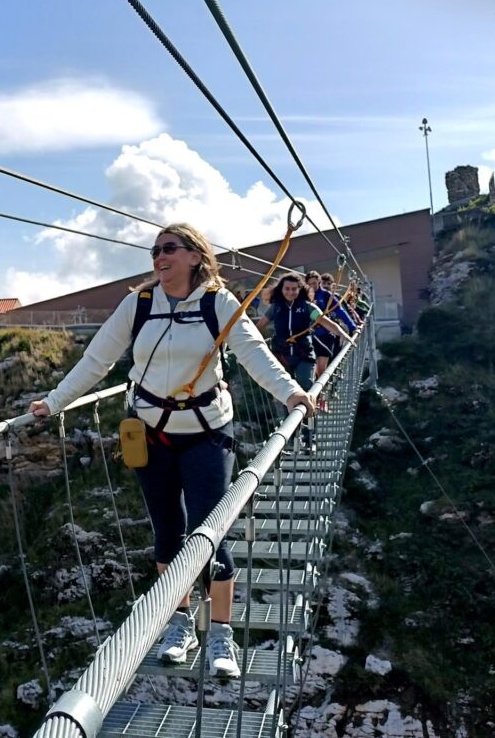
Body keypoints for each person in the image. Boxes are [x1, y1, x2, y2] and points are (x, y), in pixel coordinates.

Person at [28, 223, 315, 679]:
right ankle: (180, 623)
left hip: (206, 434)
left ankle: (220, 634)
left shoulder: (217, 303)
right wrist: (54, 402)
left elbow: (253, 351)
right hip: (153, 434)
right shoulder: (139, 305)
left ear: (196, 256)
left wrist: (291, 394)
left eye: (169, 249)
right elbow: (97, 359)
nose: (159, 257)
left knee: (209, 536)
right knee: (167, 532)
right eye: (155, 251)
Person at [257, 273, 354, 438]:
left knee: (307, 389)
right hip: (282, 356)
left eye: (294, 289)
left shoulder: (308, 307)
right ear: (281, 289)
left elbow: (324, 321)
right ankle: (291, 434)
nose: (290, 292)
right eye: (287, 289)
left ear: (300, 289)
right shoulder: (275, 308)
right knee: (285, 394)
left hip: (304, 355)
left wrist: (344, 335)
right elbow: (259, 326)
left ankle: (310, 433)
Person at [306, 271, 357, 378]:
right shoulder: (304, 297)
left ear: (319, 282)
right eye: (309, 284)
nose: (312, 286)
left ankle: (326, 390)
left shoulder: (326, 295)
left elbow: (340, 310)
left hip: (324, 334)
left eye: (314, 283)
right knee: (311, 369)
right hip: (309, 336)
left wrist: (352, 326)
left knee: (322, 369)